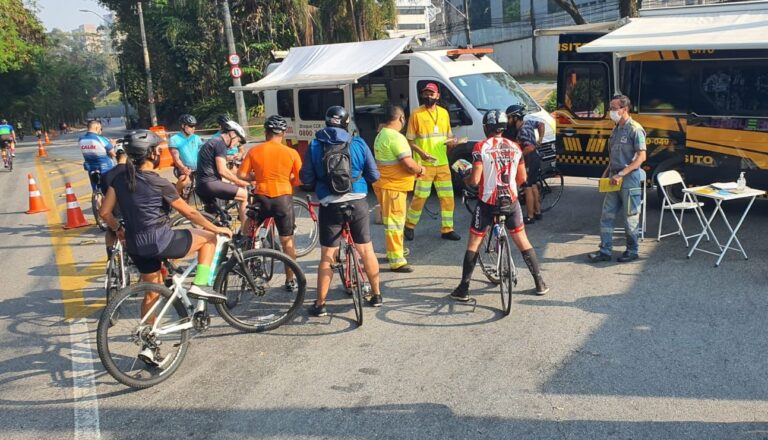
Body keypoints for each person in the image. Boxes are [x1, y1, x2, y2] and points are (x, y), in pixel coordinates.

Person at [99, 130, 232, 365]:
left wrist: (119, 229)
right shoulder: (158, 182)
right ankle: (201, 285)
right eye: (158, 150)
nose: (160, 153)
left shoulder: (120, 179)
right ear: (150, 154)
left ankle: (148, 343)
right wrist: (216, 227)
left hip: (136, 246)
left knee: (152, 291)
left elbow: (105, 213)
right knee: (209, 238)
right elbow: (189, 212)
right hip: (161, 240)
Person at [451, 110, 549, 301]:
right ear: (504, 127)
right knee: (522, 241)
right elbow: (522, 178)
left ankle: (464, 288)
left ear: (486, 127)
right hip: (510, 202)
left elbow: (475, 179)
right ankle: (540, 283)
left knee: (474, 243)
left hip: (488, 203)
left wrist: (466, 177)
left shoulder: (481, 147)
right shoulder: (515, 147)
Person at [299, 105, 382, 316]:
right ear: (346, 123)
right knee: (366, 250)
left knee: (328, 254)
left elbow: (306, 179)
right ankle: (377, 294)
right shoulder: (359, 142)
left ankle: (320, 304)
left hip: (330, 204)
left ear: (326, 123)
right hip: (358, 201)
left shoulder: (315, 145)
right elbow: (374, 176)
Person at [237, 115, 302, 291]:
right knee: (287, 241)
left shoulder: (254, 151)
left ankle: (246, 262)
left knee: (249, 231)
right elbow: (299, 179)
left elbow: (241, 175)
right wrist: (288, 180)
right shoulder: (291, 152)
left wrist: (255, 177)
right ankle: (290, 280)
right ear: (283, 133)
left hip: (262, 197)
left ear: (266, 132)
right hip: (283, 198)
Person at [588, 95, 647, 263]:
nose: (611, 112)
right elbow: (614, 156)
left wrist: (622, 174)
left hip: (628, 179)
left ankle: (632, 250)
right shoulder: (616, 129)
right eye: (610, 108)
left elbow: (641, 157)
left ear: (624, 109)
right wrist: (606, 173)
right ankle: (605, 251)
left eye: (614, 108)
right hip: (613, 178)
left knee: (630, 217)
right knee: (607, 215)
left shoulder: (635, 129)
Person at [403, 82, 461, 242]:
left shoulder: (443, 113)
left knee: (448, 197)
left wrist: (453, 142)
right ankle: (409, 225)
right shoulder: (416, 114)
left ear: (438, 96)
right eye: (426, 93)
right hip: (424, 165)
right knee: (420, 196)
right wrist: (421, 152)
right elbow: (410, 140)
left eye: (431, 93)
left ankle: (447, 229)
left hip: (442, 163)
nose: (428, 96)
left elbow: (448, 136)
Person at [372, 105, 424, 273]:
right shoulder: (396, 137)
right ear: (401, 118)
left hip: (385, 185)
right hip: (393, 187)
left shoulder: (381, 135)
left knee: (392, 222)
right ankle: (397, 260)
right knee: (395, 223)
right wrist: (421, 169)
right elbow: (408, 164)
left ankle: (395, 251)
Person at [195, 120, 250, 233]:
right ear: (232, 134)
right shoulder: (220, 144)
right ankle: (246, 234)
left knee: (215, 222)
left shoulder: (213, 142)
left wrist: (235, 179)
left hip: (201, 185)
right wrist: (239, 182)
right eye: (238, 140)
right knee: (244, 195)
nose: (237, 144)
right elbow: (223, 170)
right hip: (210, 183)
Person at [505, 104, 542, 224]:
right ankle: (538, 212)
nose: (508, 121)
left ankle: (530, 216)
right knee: (534, 185)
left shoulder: (522, 130)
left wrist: (518, 156)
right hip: (535, 157)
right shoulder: (528, 123)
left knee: (527, 187)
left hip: (530, 158)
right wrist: (540, 139)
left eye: (509, 118)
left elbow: (530, 147)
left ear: (515, 117)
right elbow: (541, 124)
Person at [100, 142, 128, 259]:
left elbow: (104, 194)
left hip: (114, 214)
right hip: (130, 213)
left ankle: (110, 253)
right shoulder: (134, 173)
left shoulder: (106, 175)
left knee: (110, 230)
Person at [169, 114, 204, 195]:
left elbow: (202, 153)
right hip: (183, 168)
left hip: (198, 168)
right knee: (184, 182)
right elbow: (176, 159)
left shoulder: (196, 138)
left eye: (194, 126)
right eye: (191, 126)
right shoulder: (174, 139)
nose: (193, 128)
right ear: (183, 126)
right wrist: (183, 168)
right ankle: (176, 197)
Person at [79, 120, 115, 194]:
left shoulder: (81, 139)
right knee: (110, 190)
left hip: (91, 169)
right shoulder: (100, 138)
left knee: (96, 190)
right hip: (105, 168)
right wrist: (112, 144)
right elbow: (112, 153)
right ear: (96, 128)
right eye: (100, 128)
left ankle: (97, 201)